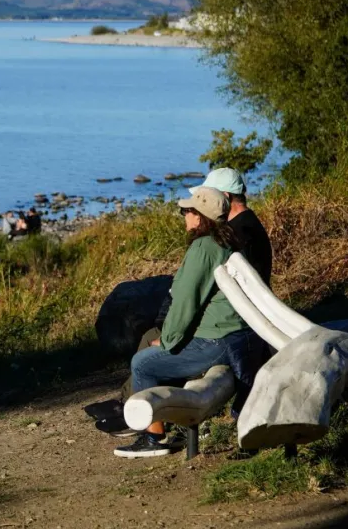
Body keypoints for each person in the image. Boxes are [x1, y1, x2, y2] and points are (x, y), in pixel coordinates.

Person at [87, 167, 273, 436]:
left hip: (224, 333)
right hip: (233, 329)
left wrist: (169, 337)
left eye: (188, 210)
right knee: (151, 340)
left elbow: (189, 299)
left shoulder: (217, 242)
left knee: (146, 356)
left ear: (211, 206)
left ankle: (148, 426)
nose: (184, 214)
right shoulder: (233, 233)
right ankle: (130, 405)